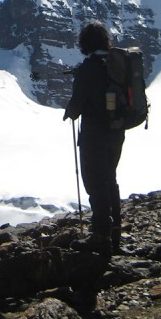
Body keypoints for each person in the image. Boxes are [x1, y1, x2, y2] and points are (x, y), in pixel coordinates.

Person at [64, 21, 126, 255]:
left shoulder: (88, 67)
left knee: (95, 182)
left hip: (94, 134)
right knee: (110, 178)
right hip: (117, 131)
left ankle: (101, 236)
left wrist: (70, 111)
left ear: (84, 43)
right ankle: (115, 232)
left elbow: (77, 105)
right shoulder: (116, 63)